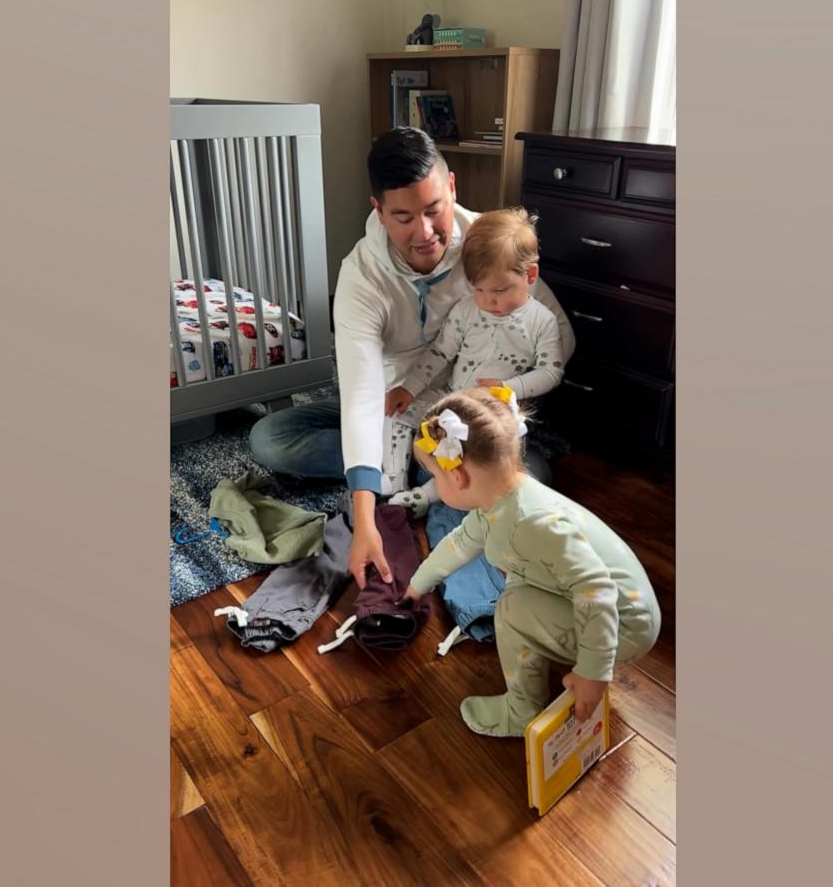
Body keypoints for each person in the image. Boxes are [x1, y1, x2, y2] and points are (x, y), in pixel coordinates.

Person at [248, 128, 575, 585]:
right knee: (270, 438)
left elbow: (556, 327)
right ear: (378, 211)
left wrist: (513, 378)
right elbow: (362, 396)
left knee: (533, 471)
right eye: (402, 216)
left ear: (452, 188)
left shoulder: (489, 245)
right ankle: (431, 472)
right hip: (397, 400)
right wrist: (365, 520)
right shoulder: (361, 278)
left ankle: (424, 472)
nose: (424, 233)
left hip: (470, 401)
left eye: (434, 210)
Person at [402, 387, 662, 737]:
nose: (436, 483)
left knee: (511, 607)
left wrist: (592, 672)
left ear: (458, 476)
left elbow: (595, 589)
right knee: (517, 583)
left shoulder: (531, 523)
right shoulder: (501, 499)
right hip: (613, 609)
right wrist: (418, 586)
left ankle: (521, 709)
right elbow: (461, 543)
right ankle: (558, 646)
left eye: (435, 476)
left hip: (625, 628)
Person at [383, 206, 564, 514]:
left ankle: (426, 495)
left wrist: (509, 387)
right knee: (398, 418)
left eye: (498, 290)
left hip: (494, 414)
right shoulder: (467, 309)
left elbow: (551, 372)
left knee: (512, 468)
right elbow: (440, 352)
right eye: (478, 288)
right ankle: (394, 484)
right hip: (450, 399)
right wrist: (409, 389)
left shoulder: (542, 321)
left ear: (530, 275)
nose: (487, 300)